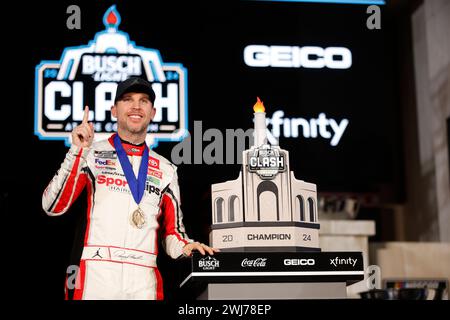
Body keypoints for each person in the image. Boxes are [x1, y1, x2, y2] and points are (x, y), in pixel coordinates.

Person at [42, 77, 219, 300]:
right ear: (114, 110)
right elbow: (53, 206)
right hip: (96, 274)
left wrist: (187, 246)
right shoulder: (91, 154)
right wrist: (77, 152)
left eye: (143, 101)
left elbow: (172, 232)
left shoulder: (166, 169)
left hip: (144, 278)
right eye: (127, 99)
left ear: (152, 112)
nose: (136, 106)